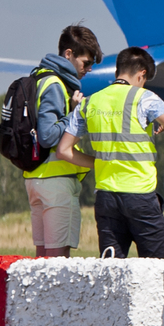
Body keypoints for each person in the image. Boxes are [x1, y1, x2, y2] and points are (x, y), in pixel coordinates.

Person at [52, 47, 164, 258]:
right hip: (140, 196)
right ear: (142, 74)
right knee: (157, 268)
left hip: (106, 198)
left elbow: (64, 150)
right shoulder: (144, 98)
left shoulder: (90, 102)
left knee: (112, 271)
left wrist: (100, 163)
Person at [23, 25, 103, 258]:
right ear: (68, 55)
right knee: (58, 265)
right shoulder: (56, 85)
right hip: (55, 183)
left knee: (42, 261)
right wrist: (75, 112)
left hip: (35, 178)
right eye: (86, 63)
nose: (88, 69)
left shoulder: (37, 77)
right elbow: (48, 136)